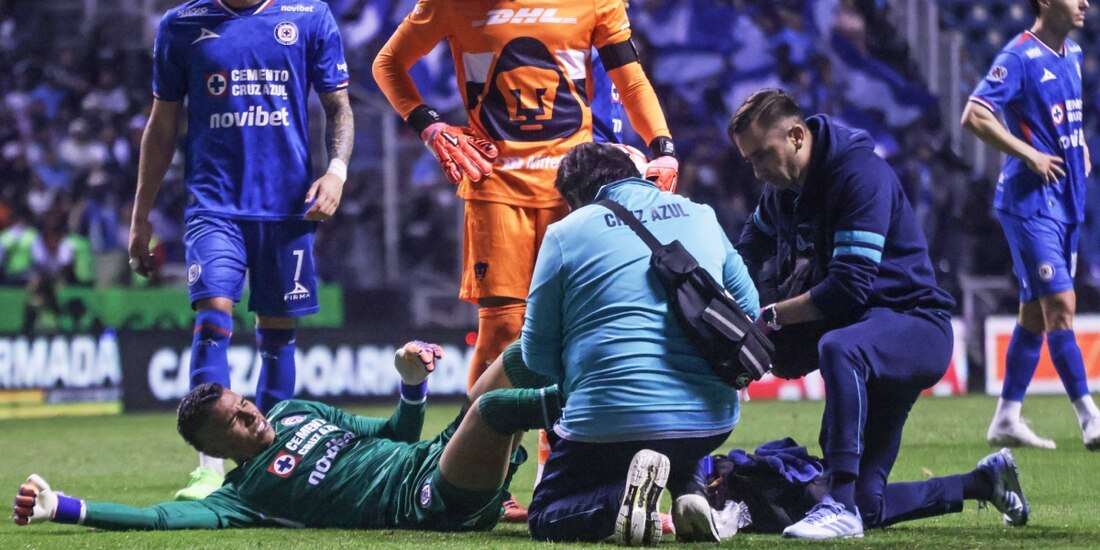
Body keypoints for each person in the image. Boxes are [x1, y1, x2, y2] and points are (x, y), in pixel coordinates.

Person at [729, 89, 1029, 539]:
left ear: (795, 135)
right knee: (871, 505)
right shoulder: (783, 193)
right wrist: (729, 310)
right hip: (867, 333)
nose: (756, 171)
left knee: (839, 348)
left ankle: (838, 504)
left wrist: (768, 317)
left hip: (914, 325)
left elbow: (849, 287)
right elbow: (744, 253)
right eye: (748, 161)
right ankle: (984, 481)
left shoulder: (858, 174)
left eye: (761, 156)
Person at [371, 0, 679, 393]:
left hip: (574, 190)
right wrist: (429, 126)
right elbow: (388, 63)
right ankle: (484, 454)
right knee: (501, 331)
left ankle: (561, 453)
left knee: (576, 329)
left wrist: (663, 148)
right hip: (496, 186)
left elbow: (630, 80)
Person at [128, 0, 355, 500]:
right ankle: (209, 467)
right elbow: (161, 123)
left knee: (278, 335)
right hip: (214, 205)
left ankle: (268, 471)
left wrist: (336, 171)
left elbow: (339, 106)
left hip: (289, 207)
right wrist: (141, 215)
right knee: (213, 319)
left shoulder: (310, 16)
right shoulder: (181, 24)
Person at [12, 340, 562, 532]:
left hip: (432, 455)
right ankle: (626, 406)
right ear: (220, 449)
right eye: (234, 421)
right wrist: (62, 506)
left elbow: (395, 434)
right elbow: (157, 518)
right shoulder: (243, 498)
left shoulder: (296, 411)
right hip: (434, 501)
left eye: (242, 403)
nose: (250, 414)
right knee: (495, 411)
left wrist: (411, 386)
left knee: (518, 358)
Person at [514, 142, 757, 545]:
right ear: (633, 173)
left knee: (545, 515)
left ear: (574, 197)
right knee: (672, 424)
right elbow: (748, 304)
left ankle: (617, 499)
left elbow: (535, 355)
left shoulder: (564, 233)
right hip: (710, 421)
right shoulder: (701, 214)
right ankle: (691, 493)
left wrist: (579, 380)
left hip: (608, 421)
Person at [961, 0, 1099, 450]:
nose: (1083, 2)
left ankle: (1006, 418)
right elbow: (975, 114)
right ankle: (1090, 417)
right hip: (1028, 203)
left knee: (1035, 316)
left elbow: (1062, 119)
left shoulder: (1074, 55)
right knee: (1061, 304)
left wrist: (1076, 149)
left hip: (1067, 199)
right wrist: (1029, 153)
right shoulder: (1019, 56)